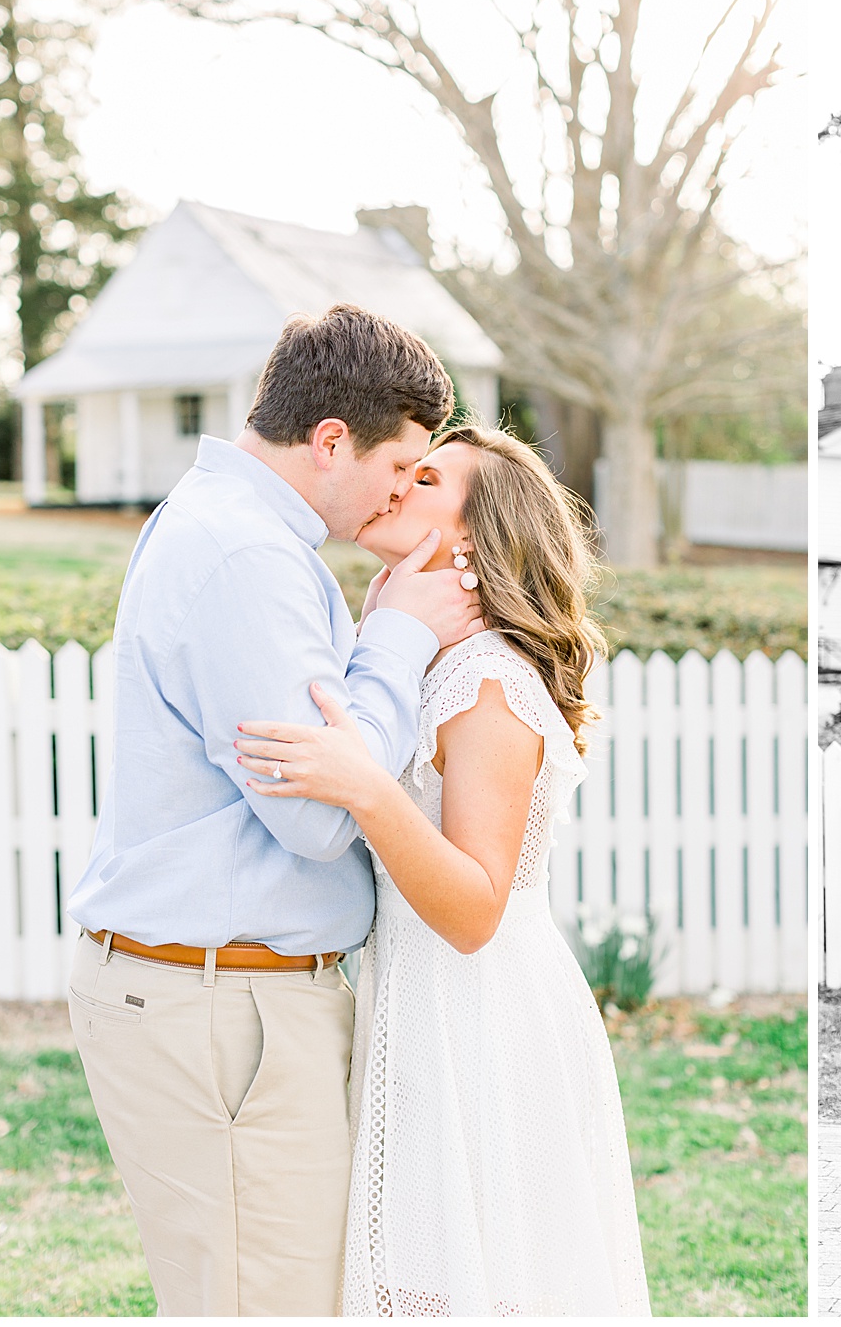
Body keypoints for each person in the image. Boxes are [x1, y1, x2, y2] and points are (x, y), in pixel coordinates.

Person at [66, 304, 482, 1315]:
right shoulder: (247, 555)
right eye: (401, 463)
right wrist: (394, 641)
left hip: (223, 995)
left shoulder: (236, 529)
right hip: (223, 1005)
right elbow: (317, 813)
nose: (400, 489)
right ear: (332, 439)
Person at [233, 423, 651, 1316]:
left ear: (473, 536)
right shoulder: (424, 659)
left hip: (479, 1015)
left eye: (424, 478)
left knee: (462, 1281)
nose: (394, 485)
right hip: (413, 996)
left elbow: (473, 911)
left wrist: (365, 790)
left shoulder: (486, 682)